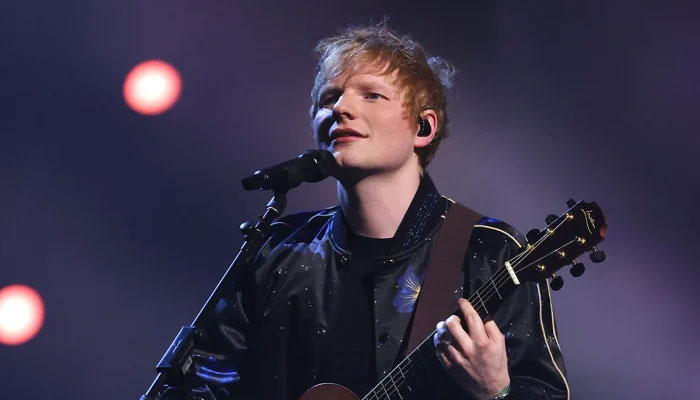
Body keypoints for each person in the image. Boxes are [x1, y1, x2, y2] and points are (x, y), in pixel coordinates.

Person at [187, 23, 569, 400]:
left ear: (423, 127)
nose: (341, 108)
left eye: (371, 95)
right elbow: (203, 382)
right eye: (328, 98)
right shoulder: (279, 250)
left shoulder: (488, 250)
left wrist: (495, 393)